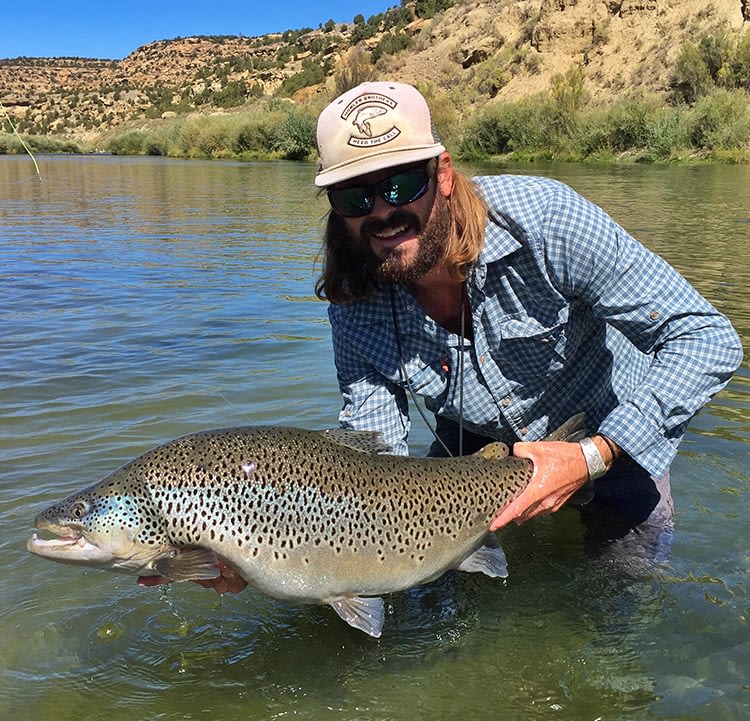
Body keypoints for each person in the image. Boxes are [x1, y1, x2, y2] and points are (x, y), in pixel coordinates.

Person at [140, 80, 742, 593]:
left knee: (619, 597)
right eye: (356, 195)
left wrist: (590, 457)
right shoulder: (355, 299)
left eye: (402, 183)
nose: (382, 210)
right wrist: (275, 559)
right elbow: (369, 456)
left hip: (610, 434)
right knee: (431, 602)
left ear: (444, 174)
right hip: (469, 451)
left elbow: (708, 338)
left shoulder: (547, 221)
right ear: (337, 209)